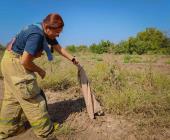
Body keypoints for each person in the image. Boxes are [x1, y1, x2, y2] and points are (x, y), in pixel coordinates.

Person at [0, 13, 78, 140]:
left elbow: (58, 48)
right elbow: (25, 61)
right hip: (15, 63)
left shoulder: (40, 28)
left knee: (12, 99)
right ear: (48, 28)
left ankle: (6, 130)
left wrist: (72, 59)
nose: (58, 35)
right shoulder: (37, 35)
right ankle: (46, 131)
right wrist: (40, 70)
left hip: (7, 61)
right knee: (33, 98)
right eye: (57, 32)